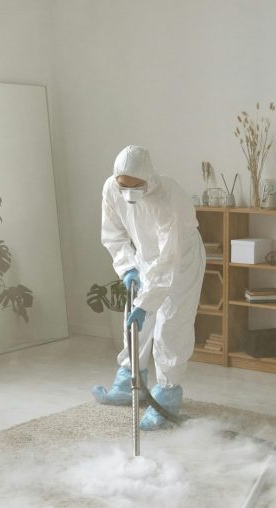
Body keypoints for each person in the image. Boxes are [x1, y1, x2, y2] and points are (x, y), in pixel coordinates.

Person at [91, 145, 205, 430]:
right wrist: (127, 267)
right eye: (124, 185)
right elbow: (113, 234)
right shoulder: (111, 189)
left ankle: (167, 396)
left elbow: (167, 260)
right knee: (134, 324)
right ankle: (131, 379)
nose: (129, 192)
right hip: (145, 256)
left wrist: (146, 303)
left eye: (136, 186)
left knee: (171, 325)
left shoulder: (168, 197)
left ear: (148, 179)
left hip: (180, 260)